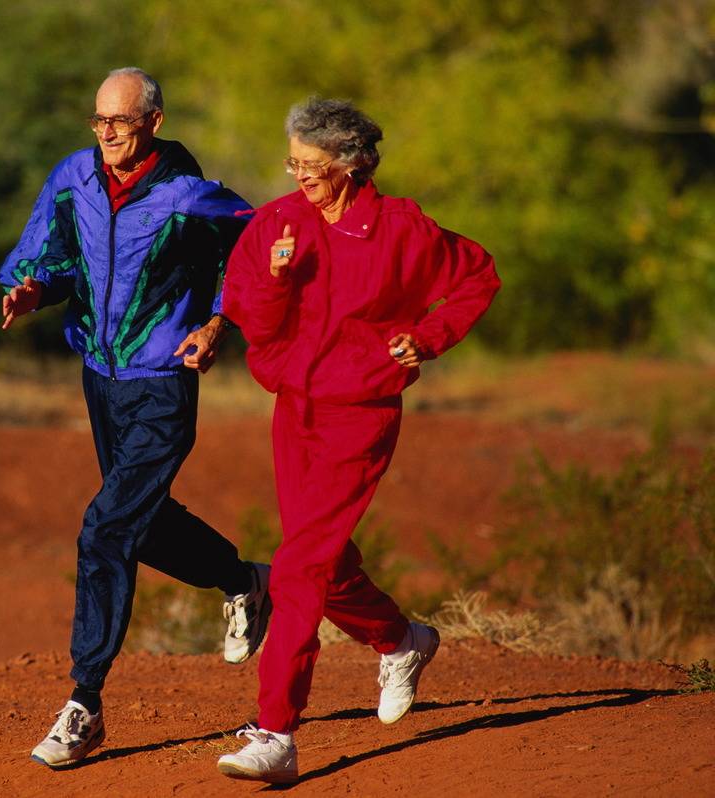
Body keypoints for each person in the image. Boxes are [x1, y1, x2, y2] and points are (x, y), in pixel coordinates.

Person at [214, 96, 501, 783]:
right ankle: (400, 641)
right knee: (323, 559)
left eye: (313, 165)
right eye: (293, 162)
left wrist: (425, 339)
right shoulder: (280, 221)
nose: (300, 176)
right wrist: (278, 277)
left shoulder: (401, 227)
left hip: (362, 409)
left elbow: (479, 276)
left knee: (297, 568)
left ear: (353, 164)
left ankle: (276, 733)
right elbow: (250, 312)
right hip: (296, 406)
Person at [0, 67, 272, 769]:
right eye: (98, 121)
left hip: (161, 383)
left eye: (119, 121)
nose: (107, 133)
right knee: (140, 525)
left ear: (153, 121)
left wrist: (217, 323)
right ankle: (244, 581)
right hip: (101, 377)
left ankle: (83, 702)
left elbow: (259, 244)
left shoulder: (189, 195)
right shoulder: (73, 178)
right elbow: (61, 266)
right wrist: (34, 292)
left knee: (105, 529)